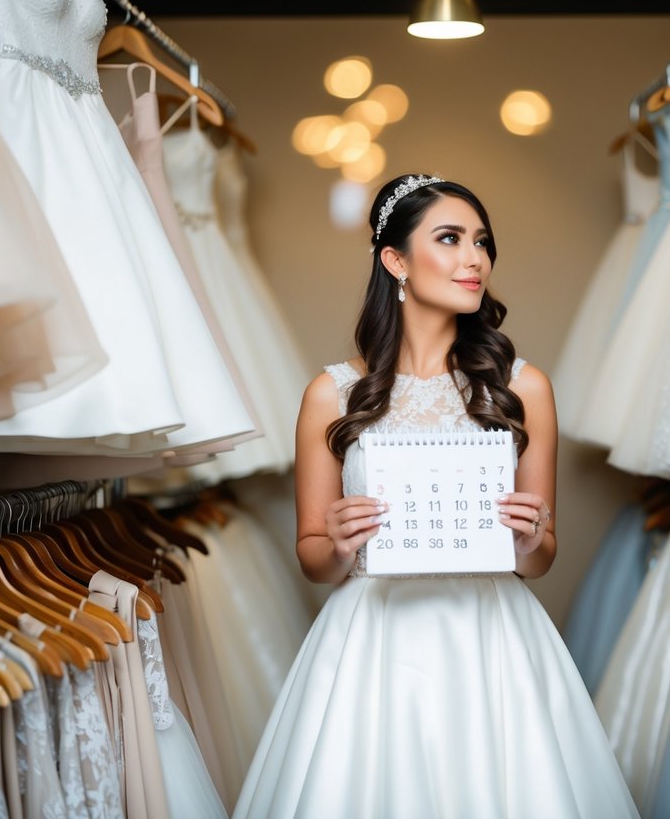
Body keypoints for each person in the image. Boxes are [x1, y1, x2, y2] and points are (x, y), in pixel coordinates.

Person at [232, 175, 637, 818]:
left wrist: (531, 538)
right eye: (449, 239)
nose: (474, 258)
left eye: (482, 242)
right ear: (395, 259)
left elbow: (541, 557)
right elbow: (312, 559)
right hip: (373, 639)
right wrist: (337, 543)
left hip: (491, 637)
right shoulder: (332, 394)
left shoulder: (523, 386)